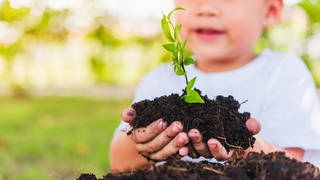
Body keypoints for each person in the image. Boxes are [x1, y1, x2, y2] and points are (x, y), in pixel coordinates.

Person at [109, 0, 320, 172]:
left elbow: (297, 170)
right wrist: (143, 145)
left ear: (270, 11)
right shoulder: (158, 80)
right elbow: (119, 163)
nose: (206, 8)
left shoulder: (284, 73)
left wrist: (242, 145)